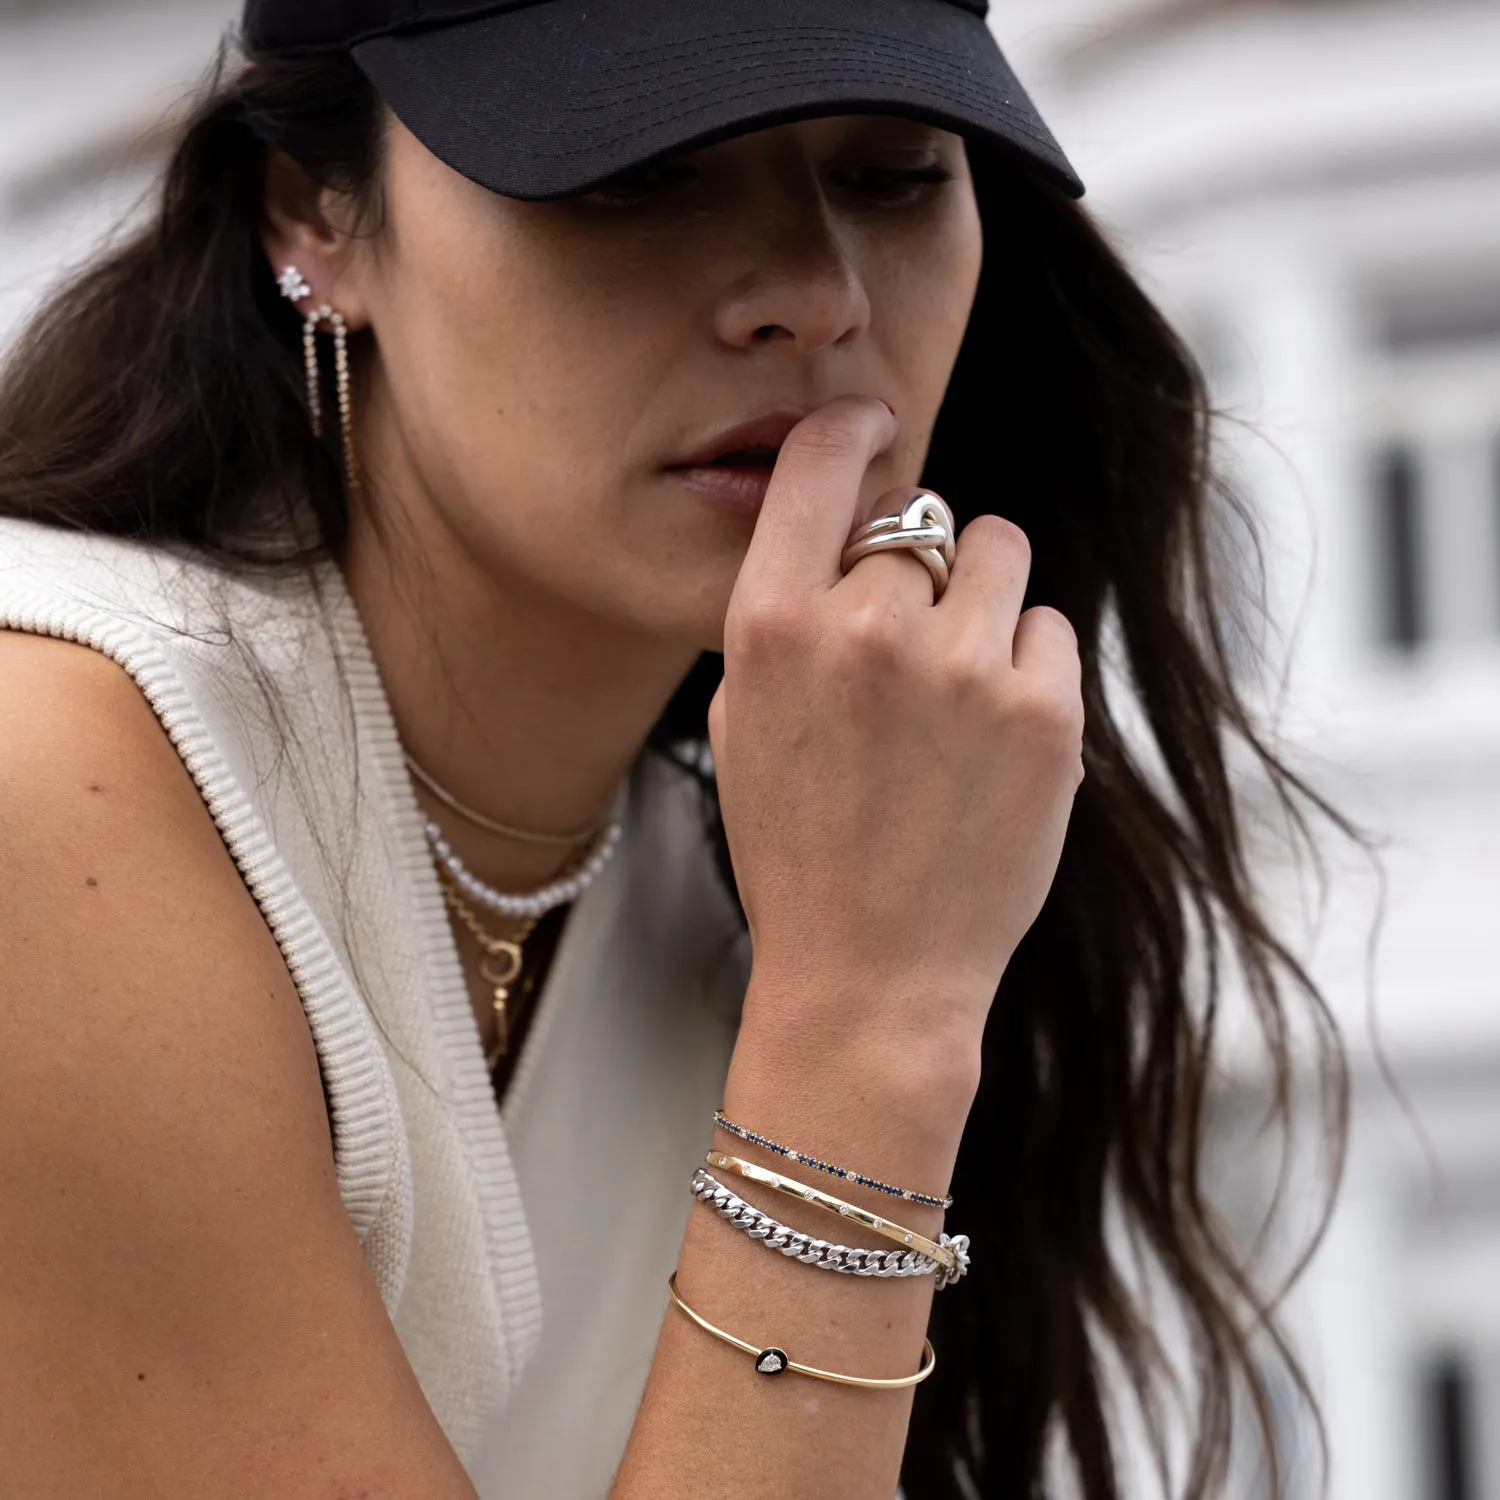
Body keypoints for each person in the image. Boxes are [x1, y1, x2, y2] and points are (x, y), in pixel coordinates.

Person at [0, 1, 1348, 1496]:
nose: (815, 298)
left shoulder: (745, 875)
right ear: (317, 219)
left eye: (894, 175)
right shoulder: (50, 776)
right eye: (641, 177)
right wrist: (864, 1024)